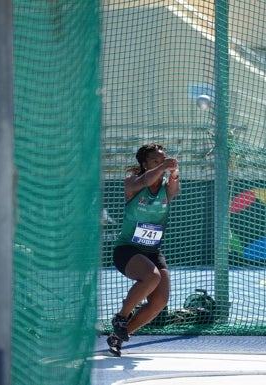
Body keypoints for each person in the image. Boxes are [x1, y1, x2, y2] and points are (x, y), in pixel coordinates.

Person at [107, 144, 180, 357]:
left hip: (152, 251)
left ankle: (118, 336)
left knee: (159, 301)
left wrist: (174, 173)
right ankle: (121, 317)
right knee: (151, 277)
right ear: (145, 164)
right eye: (156, 161)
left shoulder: (166, 186)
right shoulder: (132, 183)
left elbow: (175, 190)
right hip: (127, 250)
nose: (161, 164)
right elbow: (146, 180)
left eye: (163, 160)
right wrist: (162, 168)